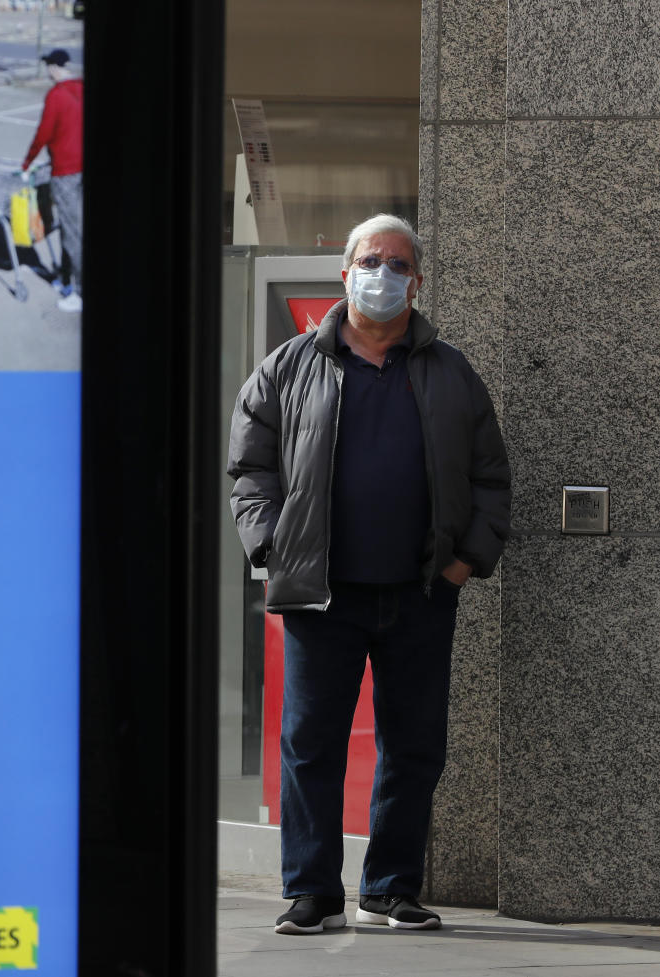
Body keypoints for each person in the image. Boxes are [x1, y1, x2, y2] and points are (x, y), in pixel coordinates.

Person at [226, 214, 510, 936]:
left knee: (412, 745)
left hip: (419, 591)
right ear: (345, 271)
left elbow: (489, 476)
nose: (381, 273)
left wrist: (461, 561)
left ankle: (388, 887)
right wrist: (269, 550)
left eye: (396, 263)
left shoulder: (450, 372)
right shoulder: (289, 366)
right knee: (310, 744)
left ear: (415, 281)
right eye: (369, 259)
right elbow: (249, 470)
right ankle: (312, 888)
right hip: (320, 592)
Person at [23, 48, 83, 313]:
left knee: (72, 233)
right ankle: (68, 278)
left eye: (48, 67)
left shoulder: (56, 95)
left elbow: (43, 133)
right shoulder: (82, 88)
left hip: (66, 172)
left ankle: (79, 293)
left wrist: (27, 163)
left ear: (53, 68)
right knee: (76, 227)